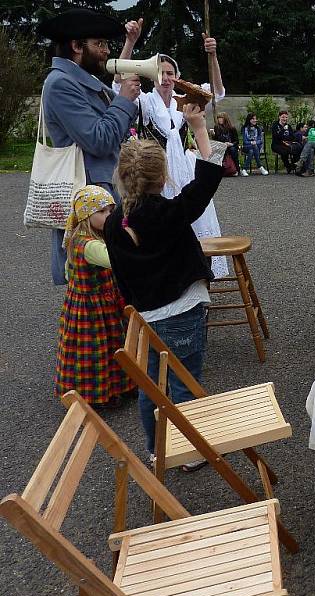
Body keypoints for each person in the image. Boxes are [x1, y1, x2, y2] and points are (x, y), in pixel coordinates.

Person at [104, 104, 223, 464]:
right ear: (162, 178)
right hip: (183, 313)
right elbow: (206, 179)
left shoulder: (112, 223)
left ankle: (157, 450)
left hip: (144, 320)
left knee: (151, 388)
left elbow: (120, 277)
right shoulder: (169, 214)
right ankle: (189, 453)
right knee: (184, 383)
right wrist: (199, 126)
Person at [118, 19, 229, 277]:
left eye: (170, 73)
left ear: (176, 77)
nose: (165, 78)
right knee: (163, 225)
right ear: (152, 76)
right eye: (160, 72)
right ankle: (167, 273)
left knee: (195, 216)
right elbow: (119, 83)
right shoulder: (144, 102)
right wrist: (129, 42)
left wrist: (212, 56)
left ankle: (198, 272)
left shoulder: (187, 101)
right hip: (157, 172)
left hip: (185, 169)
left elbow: (218, 91)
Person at [38, 7, 141, 286]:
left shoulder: (84, 81)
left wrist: (124, 97)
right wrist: (123, 100)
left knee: (115, 285)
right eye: (100, 44)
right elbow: (98, 139)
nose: (106, 51)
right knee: (97, 288)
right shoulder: (60, 84)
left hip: (103, 196)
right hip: (90, 204)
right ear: (76, 46)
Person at [56, 185, 135, 408]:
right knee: (97, 352)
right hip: (92, 309)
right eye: (102, 212)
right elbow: (115, 259)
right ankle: (99, 394)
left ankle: (120, 386)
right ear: (86, 215)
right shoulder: (88, 245)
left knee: (113, 345)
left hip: (94, 303)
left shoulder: (77, 238)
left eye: (111, 211)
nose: (108, 216)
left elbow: (67, 272)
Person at [212, 112, 240, 176]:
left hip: (231, 145)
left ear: (225, 119)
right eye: (218, 118)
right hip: (221, 145)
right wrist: (213, 135)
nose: (219, 120)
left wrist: (231, 144)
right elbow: (217, 139)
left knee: (232, 150)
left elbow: (236, 141)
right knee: (219, 150)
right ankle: (222, 170)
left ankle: (236, 169)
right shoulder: (217, 127)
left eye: (221, 118)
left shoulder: (232, 128)